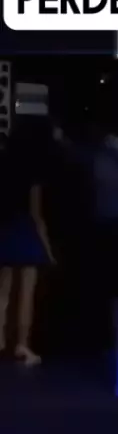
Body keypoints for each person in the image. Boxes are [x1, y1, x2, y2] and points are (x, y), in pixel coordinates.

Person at [0, 125, 55, 366]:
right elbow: (37, 215)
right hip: (27, 234)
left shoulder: (3, 166)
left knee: (2, 292)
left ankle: (0, 340)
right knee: (26, 296)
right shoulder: (33, 174)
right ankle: (22, 345)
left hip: (5, 230)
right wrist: (48, 251)